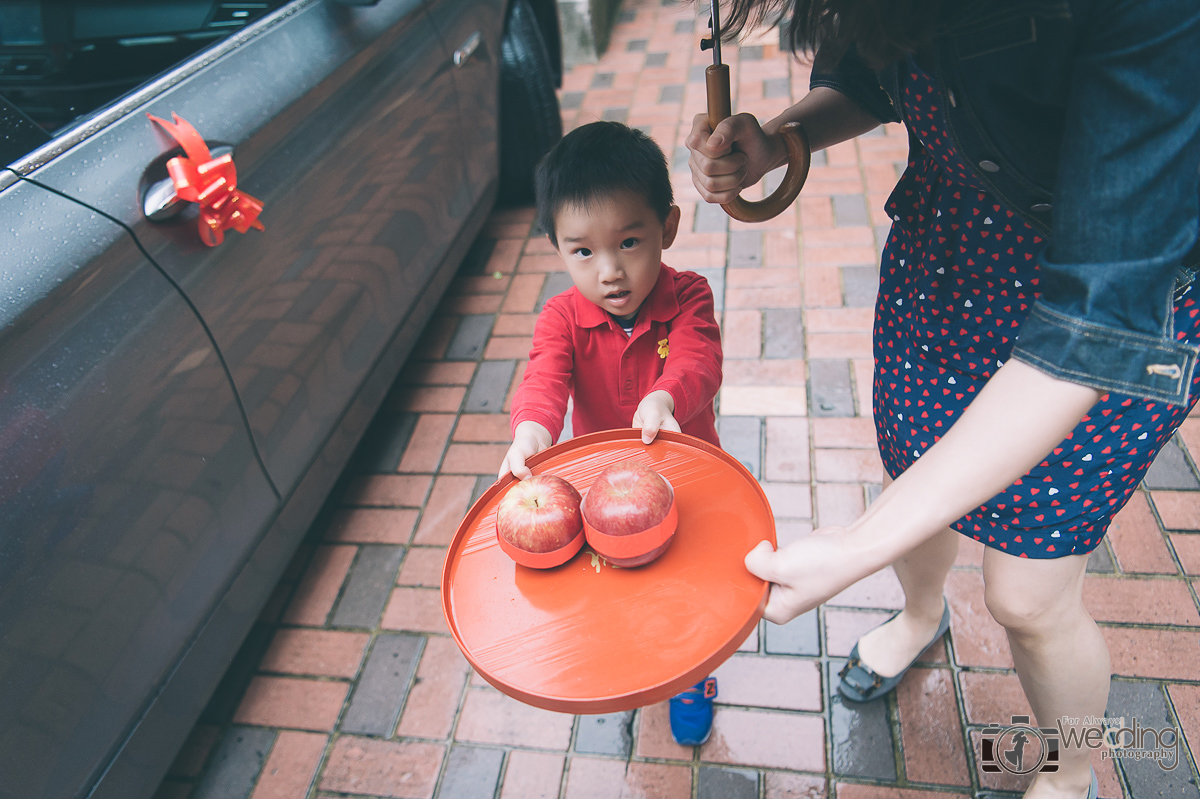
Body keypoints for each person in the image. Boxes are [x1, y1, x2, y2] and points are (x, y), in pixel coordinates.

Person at [686, 1, 1200, 797]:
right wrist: (785, 138)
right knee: (916, 469)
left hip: (1100, 297)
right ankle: (921, 615)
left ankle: (1070, 768)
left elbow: (1094, 322)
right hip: (953, 250)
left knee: (1027, 597)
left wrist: (855, 547)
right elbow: (883, 74)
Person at [500, 120, 724, 745]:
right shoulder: (561, 317)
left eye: (629, 242)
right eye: (583, 251)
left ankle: (691, 672)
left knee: (688, 578)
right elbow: (544, 377)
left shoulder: (688, 296)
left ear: (667, 229)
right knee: (616, 576)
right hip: (601, 485)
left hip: (686, 471)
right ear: (558, 248)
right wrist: (532, 432)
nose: (610, 272)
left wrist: (664, 395)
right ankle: (633, 652)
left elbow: (698, 359)